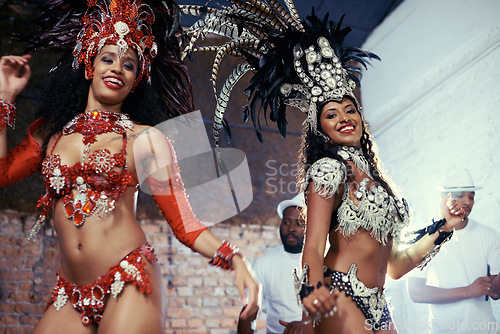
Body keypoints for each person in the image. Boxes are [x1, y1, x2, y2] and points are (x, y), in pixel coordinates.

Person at [181, 1, 467, 332]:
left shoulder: (379, 180)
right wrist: (312, 290)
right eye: (332, 114)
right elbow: (314, 246)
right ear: (320, 127)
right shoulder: (328, 171)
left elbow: (396, 266)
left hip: (379, 306)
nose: (344, 118)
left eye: (350, 109)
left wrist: (444, 228)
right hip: (340, 294)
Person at [0, 0, 258, 332]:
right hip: (70, 293)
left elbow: (185, 223)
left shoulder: (146, 140)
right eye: (107, 58)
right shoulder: (49, 134)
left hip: (129, 278)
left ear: (137, 79)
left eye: (129, 65)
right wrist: (5, 96)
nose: (116, 69)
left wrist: (235, 258)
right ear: (89, 63)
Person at [408, 168, 500, 334]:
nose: (467, 202)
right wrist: (469, 291)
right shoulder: (426, 238)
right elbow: (416, 292)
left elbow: (495, 292)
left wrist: (490, 287)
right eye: (460, 195)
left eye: (471, 196)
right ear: (444, 196)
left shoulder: (489, 235)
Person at [238, 193, 306, 334]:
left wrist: (306, 325)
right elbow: (248, 313)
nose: (291, 228)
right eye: (286, 222)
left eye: (299, 223)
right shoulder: (263, 263)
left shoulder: (324, 261)